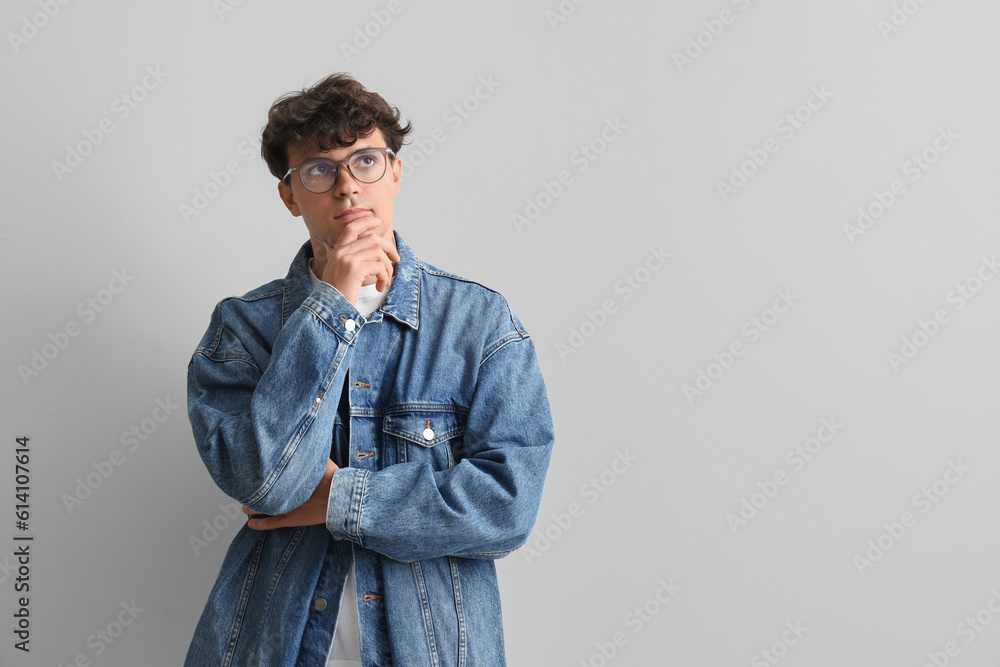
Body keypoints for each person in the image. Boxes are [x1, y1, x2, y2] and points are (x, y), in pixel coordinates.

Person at [183, 73, 554, 667]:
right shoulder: (242, 329)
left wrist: (337, 499)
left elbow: (505, 508)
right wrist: (329, 308)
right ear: (290, 196)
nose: (348, 187)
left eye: (366, 161)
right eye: (320, 171)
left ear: (397, 173)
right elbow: (263, 484)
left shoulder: (479, 322)